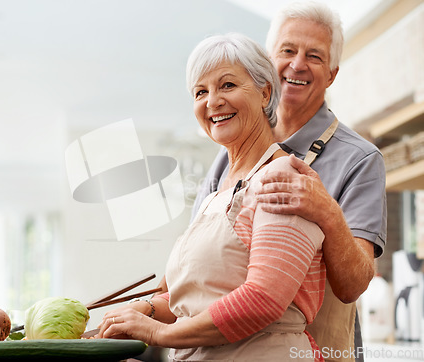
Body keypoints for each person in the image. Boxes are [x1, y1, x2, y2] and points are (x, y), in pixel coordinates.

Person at [96, 33, 326, 361]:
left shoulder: (283, 179)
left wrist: (156, 332)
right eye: (200, 92)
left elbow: (262, 300)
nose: (212, 101)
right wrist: (144, 309)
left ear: (265, 93)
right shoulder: (217, 194)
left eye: (227, 85)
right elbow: (197, 301)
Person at [189, 2, 387, 362]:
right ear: (267, 62)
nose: (297, 64)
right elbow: (195, 262)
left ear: (332, 74)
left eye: (314, 55)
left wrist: (326, 211)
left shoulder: (360, 160)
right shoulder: (228, 154)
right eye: (287, 50)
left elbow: (355, 284)